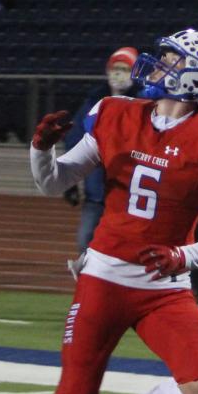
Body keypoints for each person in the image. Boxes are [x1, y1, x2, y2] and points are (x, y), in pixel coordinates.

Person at [10, 28, 198, 394]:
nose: (159, 64)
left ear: (196, 77)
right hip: (104, 277)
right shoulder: (115, 113)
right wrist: (41, 150)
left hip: (163, 288)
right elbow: (54, 183)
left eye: (173, 60)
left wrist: (184, 255)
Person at [65, 48, 140, 254]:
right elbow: (75, 138)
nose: (118, 73)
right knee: (85, 241)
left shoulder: (145, 102)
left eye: (125, 68)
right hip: (97, 190)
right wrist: (69, 178)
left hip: (130, 192)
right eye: (116, 68)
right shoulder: (94, 100)